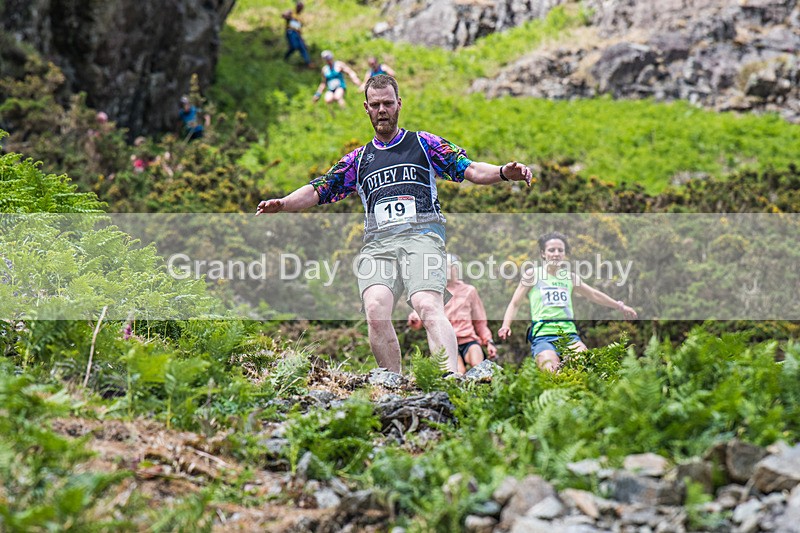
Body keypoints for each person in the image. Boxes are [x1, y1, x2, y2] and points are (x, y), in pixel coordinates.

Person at [256, 74, 533, 374]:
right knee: (375, 310)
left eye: (388, 103)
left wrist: (504, 172)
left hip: (422, 236)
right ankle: (393, 384)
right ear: (366, 108)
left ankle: (450, 380)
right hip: (378, 244)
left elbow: (472, 169)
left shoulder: (424, 144)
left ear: (399, 104)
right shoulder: (358, 160)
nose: (382, 110)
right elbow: (319, 188)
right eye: (375, 105)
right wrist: (283, 203)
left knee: (427, 304)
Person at [498, 231, 638, 372]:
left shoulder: (570, 278)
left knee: (583, 367)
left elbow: (594, 294)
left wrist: (620, 306)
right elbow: (515, 303)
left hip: (569, 335)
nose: (556, 253)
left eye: (560, 250)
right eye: (551, 250)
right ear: (543, 253)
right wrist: (506, 325)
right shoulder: (533, 275)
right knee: (552, 372)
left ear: (564, 254)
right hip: (543, 336)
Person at [407, 254, 497, 373]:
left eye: (450, 267)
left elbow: (480, 322)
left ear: (457, 269)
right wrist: (414, 319)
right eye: (444, 267)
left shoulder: (469, 291)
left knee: (479, 366)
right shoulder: (436, 292)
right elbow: (419, 321)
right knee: (458, 372)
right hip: (447, 341)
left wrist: (489, 342)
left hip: (468, 339)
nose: (447, 270)